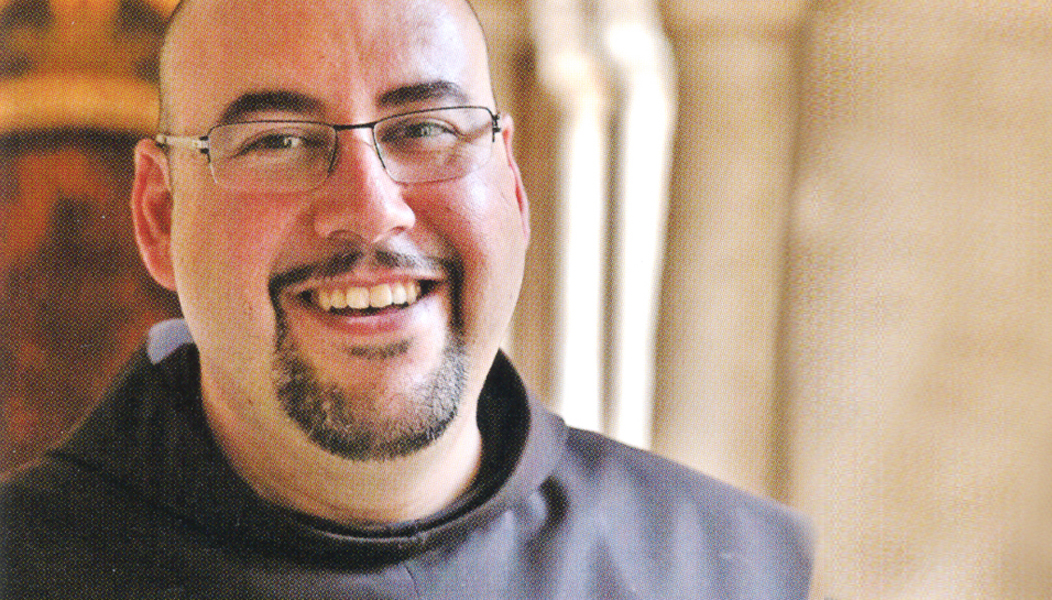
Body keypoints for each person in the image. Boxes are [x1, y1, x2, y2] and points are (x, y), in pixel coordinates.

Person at [0, 0, 813, 597]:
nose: (369, 208)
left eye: (425, 129)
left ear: (514, 187)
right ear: (159, 214)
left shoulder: (737, 572)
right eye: (278, 141)